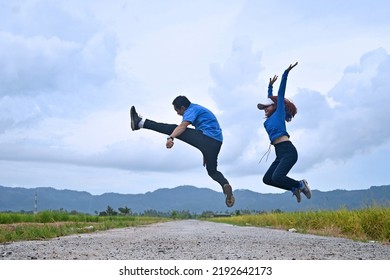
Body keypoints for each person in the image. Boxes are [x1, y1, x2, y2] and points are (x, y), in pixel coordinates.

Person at [130, 95, 235, 207]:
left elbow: (182, 126)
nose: (178, 114)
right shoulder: (198, 109)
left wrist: (171, 138)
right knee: (212, 171)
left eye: (177, 110)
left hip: (207, 139)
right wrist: (205, 151)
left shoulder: (191, 110)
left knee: (173, 128)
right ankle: (225, 185)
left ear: (183, 107)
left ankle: (140, 123)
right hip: (216, 142)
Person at [257, 62, 312, 203]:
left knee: (277, 177)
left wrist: (285, 74)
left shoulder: (279, 112)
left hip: (288, 151)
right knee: (267, 179)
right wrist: (269, 87)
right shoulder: (268, 120)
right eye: (263, 108)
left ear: (275, 106)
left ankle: (300, 184)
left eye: (266, 107)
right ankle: (294, 188)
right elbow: (270, 98)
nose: (264, 109)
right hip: (279, 153)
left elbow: (280, 95)